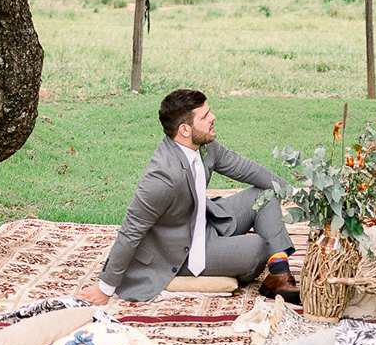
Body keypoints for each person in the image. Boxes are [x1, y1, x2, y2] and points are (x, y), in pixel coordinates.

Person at [79, 88, 298, 305]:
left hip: (204, 222)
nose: (213, 117)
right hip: (181, 252)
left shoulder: (205, 146)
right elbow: (131, 230)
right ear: (185, 129)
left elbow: (244, 168)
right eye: (204, 116)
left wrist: (294, 193)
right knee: (257, 247)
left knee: (266, 193)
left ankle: (279, 276)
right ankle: (230, 258)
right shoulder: (161, 177)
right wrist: (105, 287)